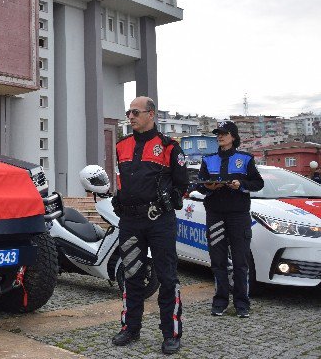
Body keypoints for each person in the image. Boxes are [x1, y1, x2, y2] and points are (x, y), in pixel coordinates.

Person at [111, 96, 189, 355]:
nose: (130, 116)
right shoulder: (121, 145)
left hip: (159, 221)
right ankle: (130, 328)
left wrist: (169, 200)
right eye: (128, 112)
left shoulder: (168, 147)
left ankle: (171, 333)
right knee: (132, 275)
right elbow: (121, 180)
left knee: (167, 277)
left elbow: (182, 184)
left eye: (135, 112)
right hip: (130, 221)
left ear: (151, 114)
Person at [196, 121, 263, 319]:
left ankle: (242, 304)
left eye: (224, 133)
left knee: (241, 262)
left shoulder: (245, 158)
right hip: (215, 215)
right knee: (218, 261)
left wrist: (241, 184)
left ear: (233, 136)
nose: (220, 136)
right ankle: (220, 301)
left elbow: (258, 183)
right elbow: (199, 185)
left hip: (239, 216)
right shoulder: (208, 159)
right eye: (218, 133)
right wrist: (209, 187)